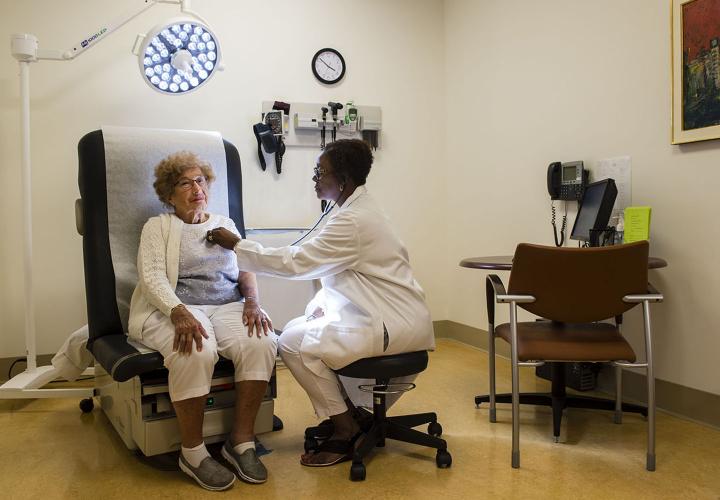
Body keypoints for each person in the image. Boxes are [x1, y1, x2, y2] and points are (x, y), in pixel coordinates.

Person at [207, 139, 434, 467]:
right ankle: (352, 414)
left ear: (342, 180)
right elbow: (348, 270)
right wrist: (322, 303)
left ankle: (346, 430)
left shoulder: (352, 221)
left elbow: (296, 262)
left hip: (390, 324)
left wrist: (237, 245)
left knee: (292, 342)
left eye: (320, 172)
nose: (314, 178)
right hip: (391, 313)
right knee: (301, 326)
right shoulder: (357, 210)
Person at [128, 151, 277, 491]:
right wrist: (177, 312)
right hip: (178, 305)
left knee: (263, 340)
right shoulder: (158, 226)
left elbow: (246, 269)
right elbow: (151, 277)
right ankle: (192, 452)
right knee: (196, 349)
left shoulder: (224, 224)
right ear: (169, 194)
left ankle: (241, 442)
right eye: (185, 183)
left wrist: (253, 302)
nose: (196, 188)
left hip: (227, 305)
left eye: (200, 180)